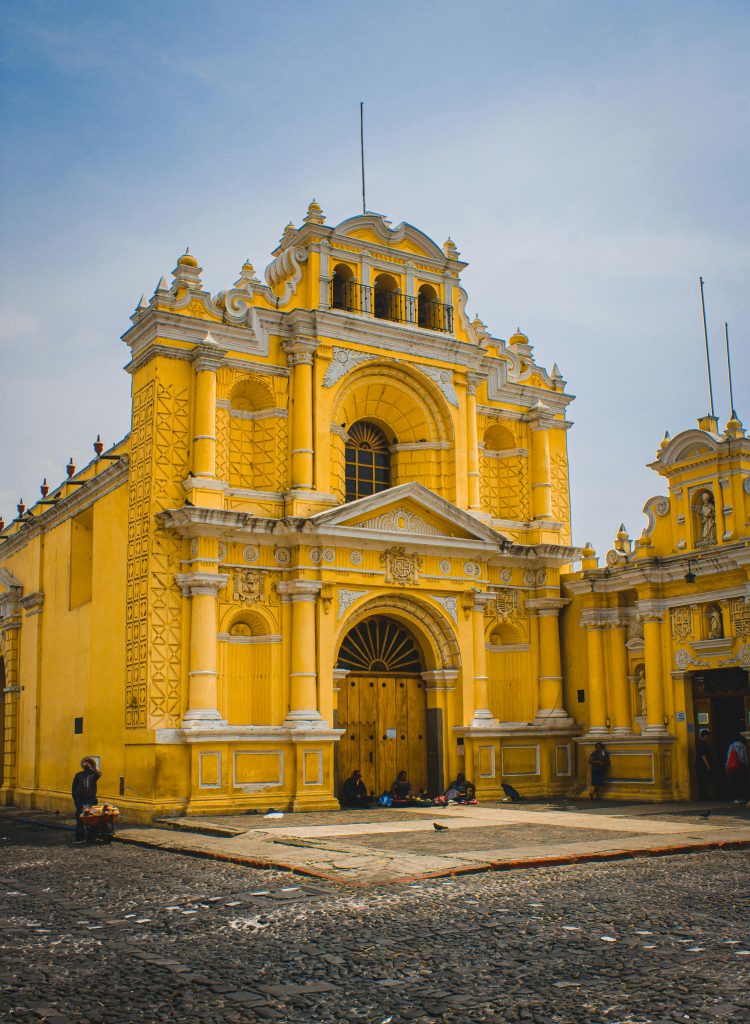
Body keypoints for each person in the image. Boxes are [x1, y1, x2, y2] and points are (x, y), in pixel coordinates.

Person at [72, 756, 102, 842]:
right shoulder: (78, 775)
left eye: (89, 763)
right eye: (86, 763)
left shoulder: (94, 775)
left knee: (92, 818)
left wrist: (92, 768)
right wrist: (75, 800)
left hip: (91, 799)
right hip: (81, 800)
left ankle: (91, 836)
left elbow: (99, 774)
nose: (87, 764)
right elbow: (74, 789)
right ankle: (80, 836)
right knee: (80, 818)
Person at [725, 733, 748, 804]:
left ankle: (736, 798)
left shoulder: (732, 746)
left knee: (735, 782)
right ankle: (742, 797)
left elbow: (729, 757)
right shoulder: (744, 746)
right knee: (742, 782)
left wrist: (726, 765)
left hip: (734, 766)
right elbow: (746, 758)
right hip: (742, 765)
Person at [696, 729, 713, 801]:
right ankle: (704, 797)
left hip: (700, 765)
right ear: (705, 736)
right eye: (707, 736)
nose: (708, 738)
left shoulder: (702, 743)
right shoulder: (701, 744)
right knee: (703, 781)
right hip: (702, 766)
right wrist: (707, 765)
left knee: (703, 781)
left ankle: (704, 796)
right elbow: (703, 755)